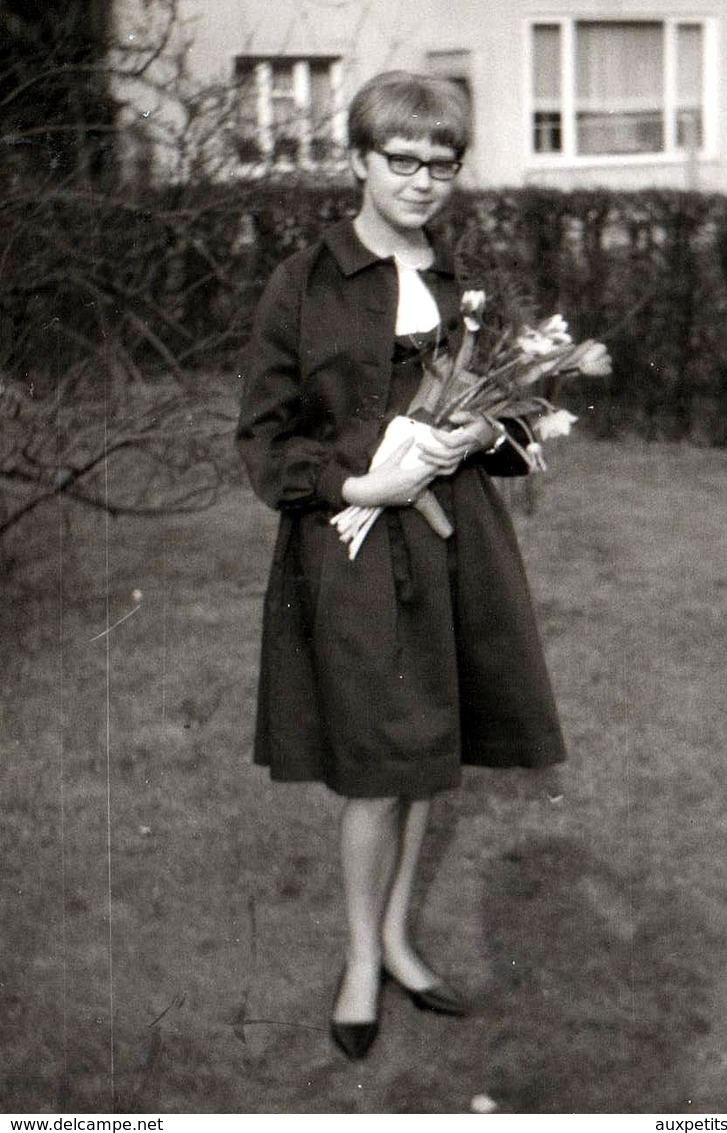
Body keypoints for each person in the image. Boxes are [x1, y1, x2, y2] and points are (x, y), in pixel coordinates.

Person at [236, 70, 566, 1061]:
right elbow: (263, 439)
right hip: (356, 556)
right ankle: (358, 959)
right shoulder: (302, 282)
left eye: (441, 164)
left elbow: (495, 415)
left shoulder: (457, 281)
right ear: (357, 160)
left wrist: (500, 434)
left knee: (427, 758)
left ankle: (394, 939)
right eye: (401, 161)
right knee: (377, 770)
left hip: (458, 548)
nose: (422, 181)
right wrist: (354, 487)